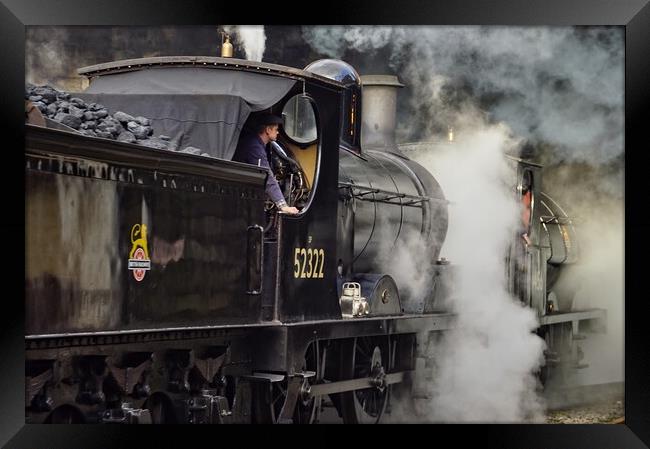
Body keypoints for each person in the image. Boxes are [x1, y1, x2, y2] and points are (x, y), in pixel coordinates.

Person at [232, 114, 299, 215]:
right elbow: (266, 176)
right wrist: (283, 205)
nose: (277, 132)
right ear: (268, 130)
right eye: (276, 129)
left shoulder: (257, 143)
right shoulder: (254, 146)